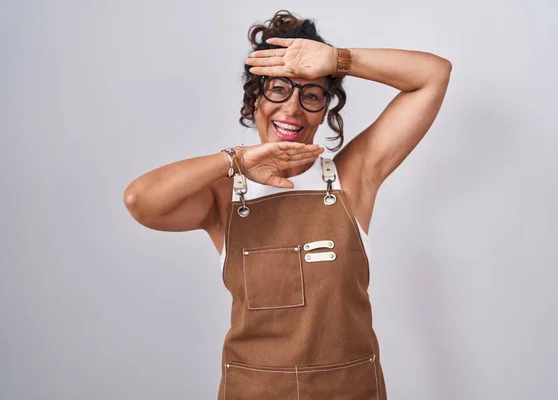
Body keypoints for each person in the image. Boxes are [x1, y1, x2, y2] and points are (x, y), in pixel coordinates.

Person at [124, 10, 451, 400]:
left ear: (325, 109)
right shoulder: (224, 195)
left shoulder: (351, 178)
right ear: (255, 98)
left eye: (311, 94)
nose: (293, 110)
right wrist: (237, 160)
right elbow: (140, 200)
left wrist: (338, 60)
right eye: (278, 89)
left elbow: (433, 76)